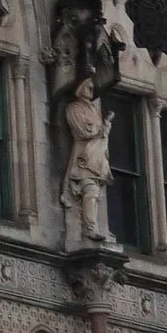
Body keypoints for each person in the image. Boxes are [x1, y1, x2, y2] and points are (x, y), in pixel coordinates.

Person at [60, 74, 111, 244]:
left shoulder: (93, 110)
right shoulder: (74, 108)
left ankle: (92, 227)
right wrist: (100, 128)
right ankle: (90, 229)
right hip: (84, 156)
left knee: (94, 192)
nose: (91, 90)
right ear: (80, 88)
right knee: (90, 190)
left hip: (97, 157)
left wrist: (105, 128)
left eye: (92, 87)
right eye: (88, 86)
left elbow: (97, 132)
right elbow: (83, 131)